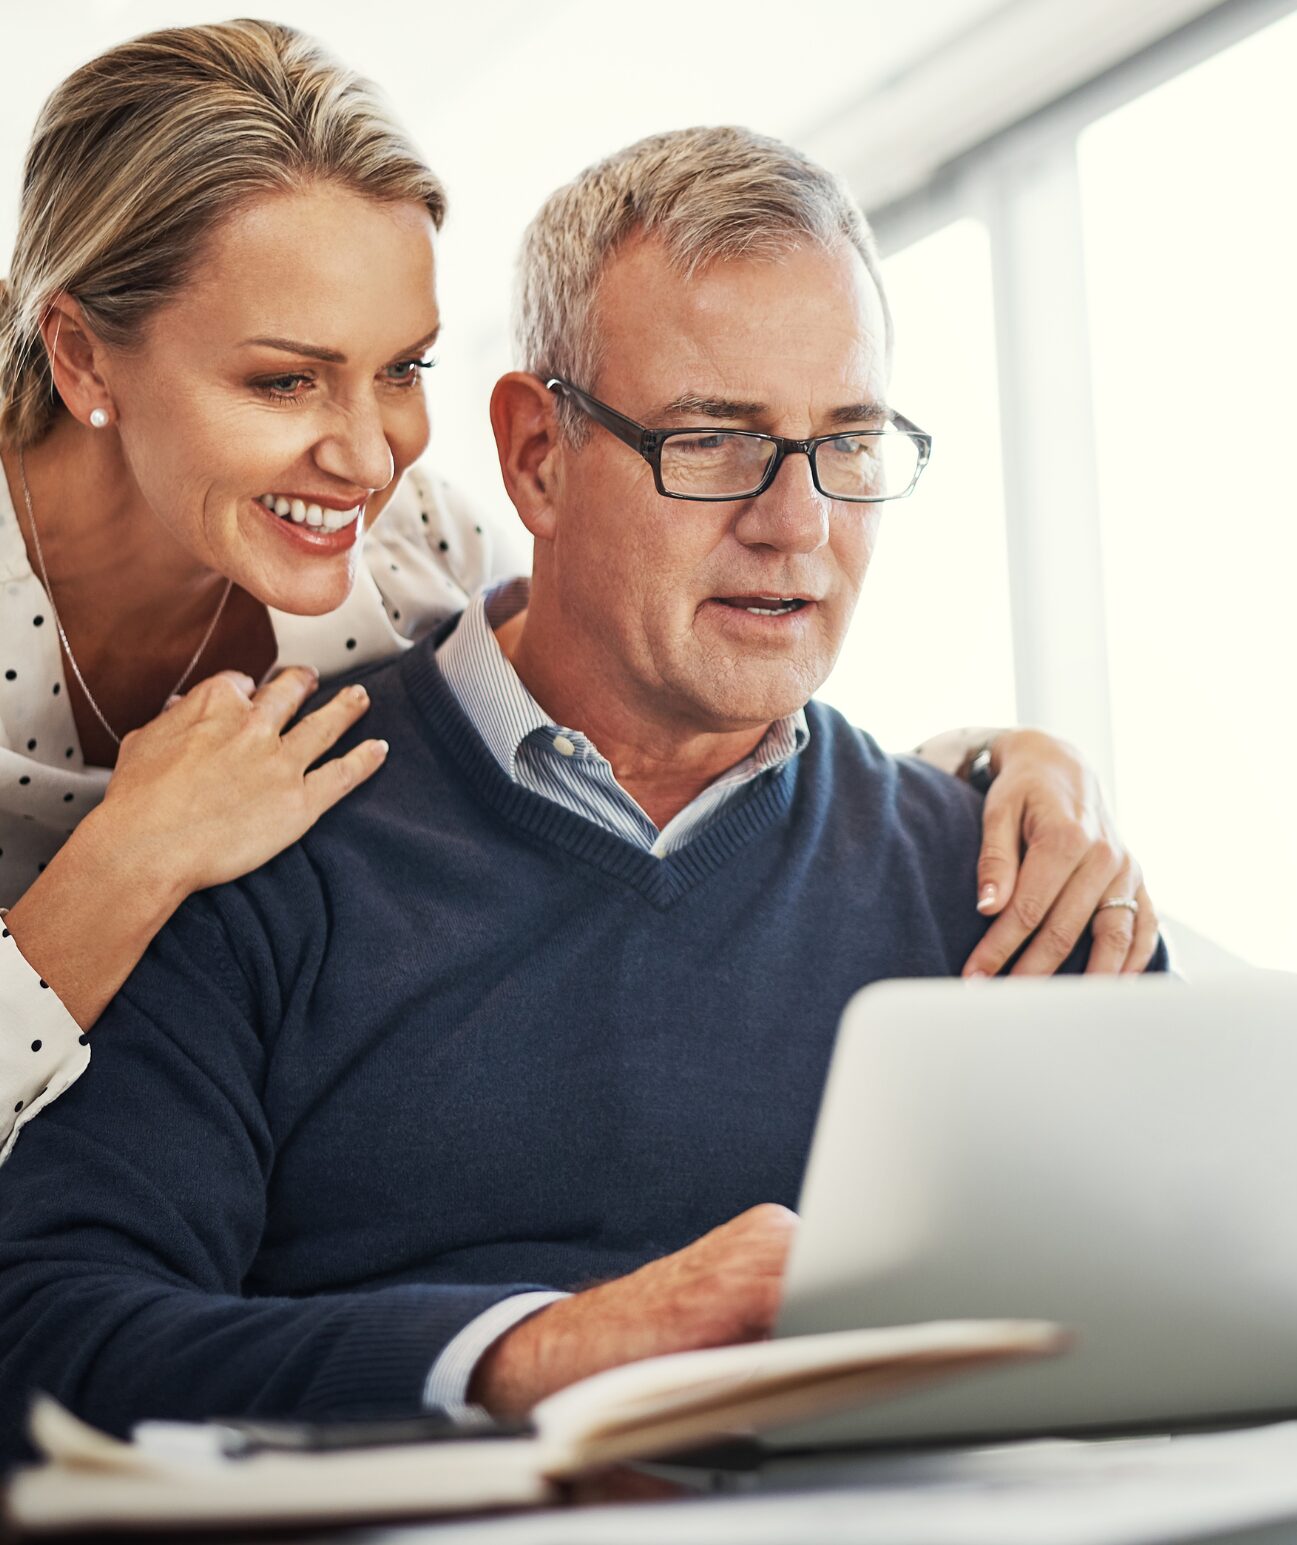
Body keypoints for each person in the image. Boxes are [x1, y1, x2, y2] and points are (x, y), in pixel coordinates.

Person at [0, 121, 1173, 1457]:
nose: (797, 526)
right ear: (538, 457)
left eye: (847, 443)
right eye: (714, 443)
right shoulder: (245, 836)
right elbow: (46, 1340)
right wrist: (522, 1352)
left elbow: (1248, 1277)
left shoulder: (1011, 880)